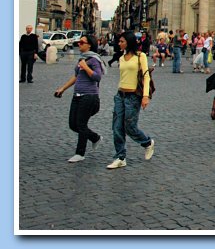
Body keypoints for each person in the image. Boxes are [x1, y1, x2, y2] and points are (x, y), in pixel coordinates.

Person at [106, 31, 154, 169]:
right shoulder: (121, 58)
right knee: (117, 127)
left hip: (133, 96)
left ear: (129, 42)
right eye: (119, 41)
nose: (119, 43)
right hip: (120, 94)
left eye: (122, 41)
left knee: (130, 127)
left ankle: (147, 142)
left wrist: (145, 96)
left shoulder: (141, 56)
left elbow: (146, 76)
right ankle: (120, 157)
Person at [54, 34, 105, 162]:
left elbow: (97, 77)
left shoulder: (94, 60)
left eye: (82, 42)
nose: (79, 44)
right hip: (77, 95)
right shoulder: (81, 59)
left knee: (81, 125)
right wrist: (62, 89)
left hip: (89, 96)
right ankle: (95, 138)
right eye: (79, 42)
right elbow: (76, 77)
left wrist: (86, 67)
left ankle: (80, 153)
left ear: (90, 45)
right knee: (73, 124)